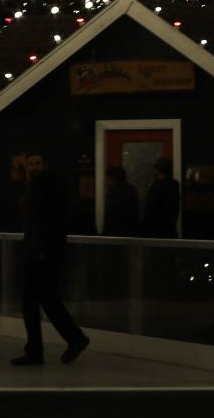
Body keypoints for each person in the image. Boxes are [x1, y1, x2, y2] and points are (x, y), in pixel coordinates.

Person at [12, 151, 88, 366]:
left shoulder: (44, 188)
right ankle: (72, 339)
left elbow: (46, 222)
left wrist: (41, 250)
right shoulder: (44, 187)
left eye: (37, 163)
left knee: (34, 299)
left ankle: (41, 349)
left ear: (44, 165)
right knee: (45, 298)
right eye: (31, 164)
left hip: (40, 252)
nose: (34, 167)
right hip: (43, 250)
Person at [141, 158, 181, 238]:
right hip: (170, 232)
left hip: (156, 232)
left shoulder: (157, 187)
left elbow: (150, 209)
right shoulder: (173, 186)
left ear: (159, 170)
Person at [102, 164, 141, 236]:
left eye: (108, 178)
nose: (107, 181)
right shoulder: (131, 189)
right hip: (131, 232)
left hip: (116, 234)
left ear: (113, 178)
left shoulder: (114, 192)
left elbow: (110, 215)